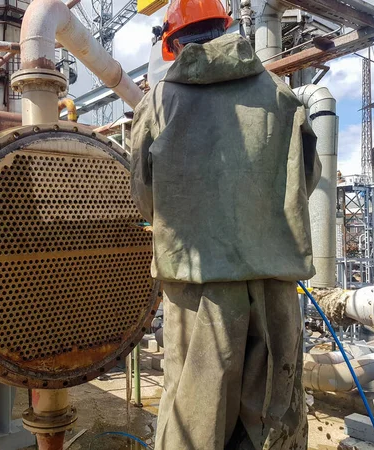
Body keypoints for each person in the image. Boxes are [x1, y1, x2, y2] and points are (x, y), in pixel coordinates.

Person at [130, 0, 322, 449]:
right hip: (275, 280)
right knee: (274, 418)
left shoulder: (158, 101)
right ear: (227, 28)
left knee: (194, 421)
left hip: (198, 288)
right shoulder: (281, 93)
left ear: (174, 43)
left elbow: (144, 194)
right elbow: (305, 180)